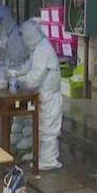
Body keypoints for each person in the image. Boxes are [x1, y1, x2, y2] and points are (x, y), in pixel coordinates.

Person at [17, 19, 64, 170]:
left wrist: (19, 79)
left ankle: (49, 160)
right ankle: (38, 154)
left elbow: (35, 78)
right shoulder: (37, 48)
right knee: (38, 125)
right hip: (43, 95)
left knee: (48, 128)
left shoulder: (43, 49)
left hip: (49, 95)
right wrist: (17, 73)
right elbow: (28, 66)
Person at [0, 4, 28, 68]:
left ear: (6, 18)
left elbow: (18, 56)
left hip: (18, 67)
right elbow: (6, 52)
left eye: (0, 21)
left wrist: (4, 53)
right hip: (9, 65)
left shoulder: (17, 34)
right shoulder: (5, 32)